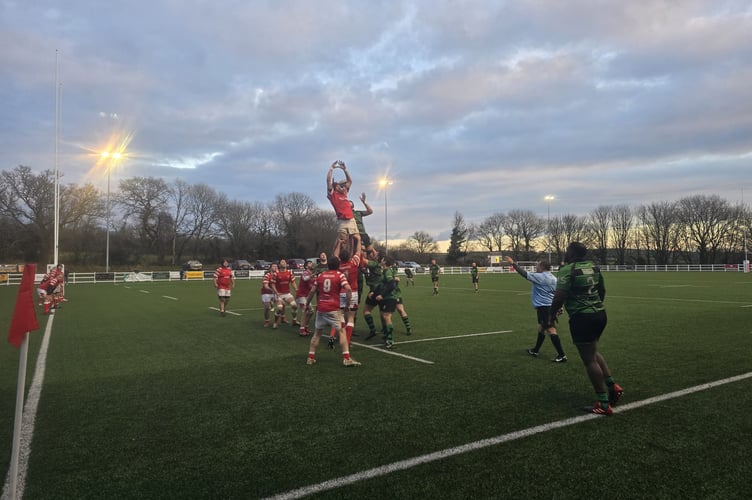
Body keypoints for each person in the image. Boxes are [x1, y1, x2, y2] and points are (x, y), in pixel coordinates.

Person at [550, 242, 623, 416]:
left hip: (582, 317)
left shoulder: (567, 269)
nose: (565, 253)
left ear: (572, 253)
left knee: (589, 359)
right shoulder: (594, 267)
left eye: (567, 250)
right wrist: (594, 305)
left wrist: (551, 315)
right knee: (593, 350)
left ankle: (604, 403)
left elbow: (560, 295)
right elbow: (602, 290)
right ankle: (613, 386)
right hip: (600, 314)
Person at [504, 256, 567, 363]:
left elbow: (524, 274)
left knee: (551, 330)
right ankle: (535, 350)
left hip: (545, 308)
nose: (536, 267)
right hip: (549, 307)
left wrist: (512, 263)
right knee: (541, 328)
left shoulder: (540, 277)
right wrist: (560, 307)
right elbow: (557, 294)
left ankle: (562, 355)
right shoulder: (554, 278)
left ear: (542, 267)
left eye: (537, 266)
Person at [305, 256, 361, 367]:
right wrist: (348, 305)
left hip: (321, 309)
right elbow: (349, 289)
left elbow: (312, 291)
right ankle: (346, 358)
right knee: (342, 332)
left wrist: (307, 304)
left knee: (317, 333)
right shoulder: (339, 275)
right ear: (338, 265)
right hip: (333, 309)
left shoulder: (321, 275)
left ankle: (310, 357)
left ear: (328, 265)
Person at [333, 235, 362, 346]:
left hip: (341, 293)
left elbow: (335, 255)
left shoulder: (338, 264)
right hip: (353, 292)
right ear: (349, 256)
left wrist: (339, 243)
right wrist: (358, 239)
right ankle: (347, 341)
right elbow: (358, 251)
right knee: (351, 317)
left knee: (340, 316)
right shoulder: (354, 263)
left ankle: (336, 338)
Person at [326, 160, 361, 254]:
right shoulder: (333, 195)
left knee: (356, 239)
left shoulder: (344, 192)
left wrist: (345, 170)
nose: (342, 187)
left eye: (342, 186)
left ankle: (353, 257)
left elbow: (350, 181)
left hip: (351, 219)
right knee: (343, 241)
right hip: (342, 221)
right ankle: (339, 257)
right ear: (335, 188)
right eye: (339, 186)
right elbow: (328, 181)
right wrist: (331, 169)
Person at [375, 255, 400, 348]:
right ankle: (387, 336)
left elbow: (391, 284)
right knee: (384, 315)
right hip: (386, 298)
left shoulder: (388, 271)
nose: (380, 260)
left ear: (384, 262)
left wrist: (382, 295)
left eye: (381, 259)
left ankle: (390, 340)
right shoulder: (385, 271)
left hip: (390, 297)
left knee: (386, 316)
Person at [363, 247, 384, 340]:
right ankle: (386, 331)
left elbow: (364, 261)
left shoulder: (375, 264)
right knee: (383, 312)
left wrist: (358, 251)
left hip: (375, 290)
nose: (373, 253)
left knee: (366, 311)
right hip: (379, 290)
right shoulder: (375, 263)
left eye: (375, 253)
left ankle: (373, 330)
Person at [271, 259, 298, 328]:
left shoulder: (289, 272)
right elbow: (272, 284)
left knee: (294, 306)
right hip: (279, 294)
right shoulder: (276, 273)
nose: (284, 263)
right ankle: (275, 322)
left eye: (285, 262)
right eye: (282, 262)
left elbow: (293, 282)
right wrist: (276, 293)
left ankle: (294, 320)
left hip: (287, 293)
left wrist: (296, 289)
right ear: (279, 265)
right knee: (280, 308)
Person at [295, 260, 316, 336]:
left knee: (311, 312)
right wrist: (313, 275)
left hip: (306, 296)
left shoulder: (312, 275)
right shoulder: (305, 273)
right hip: (301, 296)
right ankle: (302, 329)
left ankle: (305, 327)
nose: (312, 264)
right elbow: (305, 279)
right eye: (310, 263)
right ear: (306, 266)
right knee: (306, 311)